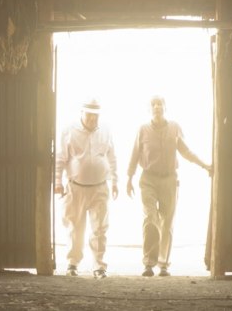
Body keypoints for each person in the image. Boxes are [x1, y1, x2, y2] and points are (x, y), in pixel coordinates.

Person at [126, 95, 211, 277]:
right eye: (154, 105)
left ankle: (163, 264)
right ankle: (149, 263)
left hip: (169, 180)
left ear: (165, 108)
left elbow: (186, 151)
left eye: (160, 104)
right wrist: (129, 178)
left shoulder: (174, 128)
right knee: (150, 219)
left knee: (167, 222)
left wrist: (204, 165)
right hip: (148, 179)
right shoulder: (143, 129)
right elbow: (134, 154)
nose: (157, 107)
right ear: (149, 109)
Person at [54, 97, 119, 279]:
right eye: (89, 115)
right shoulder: (69, 130)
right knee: (75, 227)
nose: (93, 119)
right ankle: (72, 263)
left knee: (100, 228)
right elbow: (60, 158)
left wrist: (115, 181)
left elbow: (112, 156)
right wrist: (57, 182)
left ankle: (99, 265)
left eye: (96, 116)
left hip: (100, 187)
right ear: (82, 113)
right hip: (76, 187)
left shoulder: (105, 130)